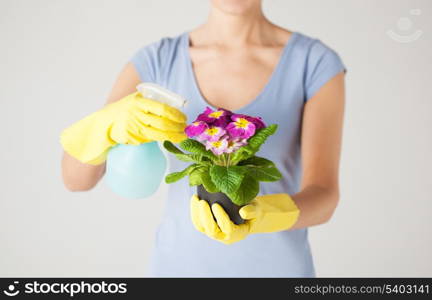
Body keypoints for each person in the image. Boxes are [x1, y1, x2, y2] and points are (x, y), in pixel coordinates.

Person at [60, 0, 346, 277]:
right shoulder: (158, 60)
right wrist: (106, 125)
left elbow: (324, 196)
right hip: (178, 271)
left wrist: (263, 215)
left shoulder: (314, 62)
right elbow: (76, 179)